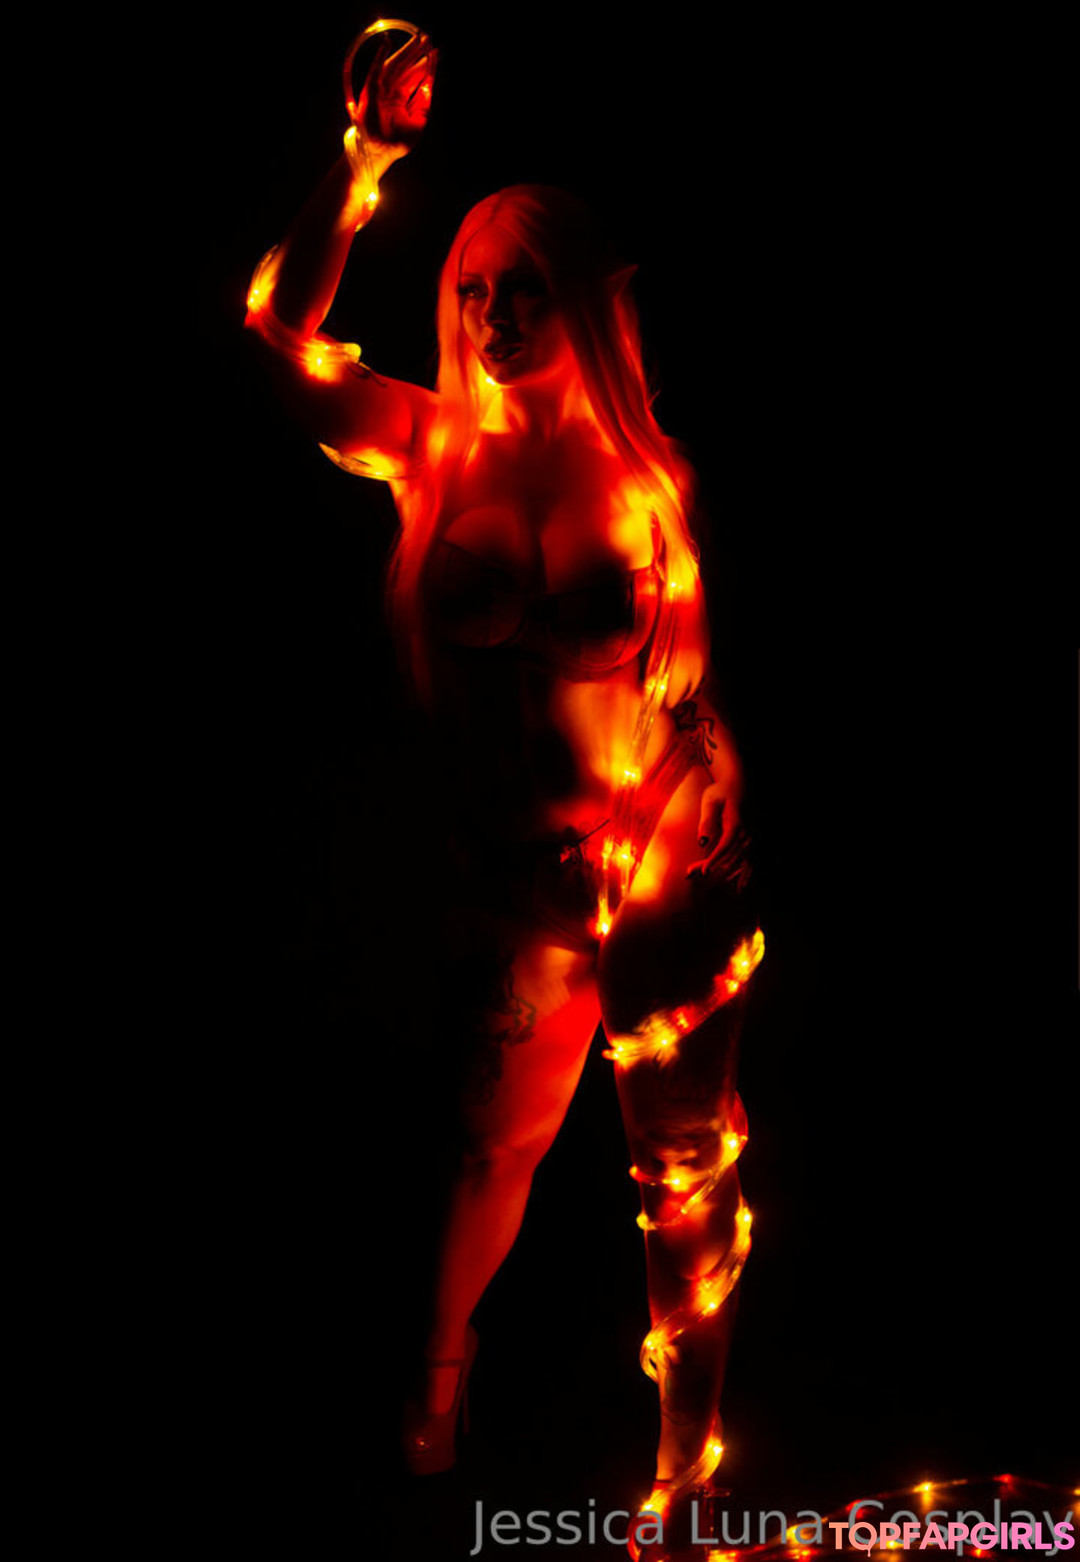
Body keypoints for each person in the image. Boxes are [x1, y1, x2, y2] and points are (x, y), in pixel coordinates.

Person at [245, 25, 763, 1561]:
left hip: (658, 865)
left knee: (685, 1168)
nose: (492, 315)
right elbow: (272, 330)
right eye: (473, 290)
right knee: (490, 1150)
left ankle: (688, 1478)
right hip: (516, 880)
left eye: (523, 287)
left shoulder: (645, 482)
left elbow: (683, 680)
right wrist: (359, 169)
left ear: (583, 302)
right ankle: (436, 1382)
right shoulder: (428, 448)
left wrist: (713, 759)